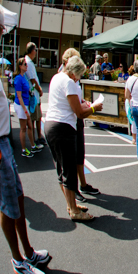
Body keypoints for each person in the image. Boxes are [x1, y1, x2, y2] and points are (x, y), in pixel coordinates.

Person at [0, 4, 52, 274]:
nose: (2, 33)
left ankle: (27, 252)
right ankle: (18, 260)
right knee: (9, 204)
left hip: (2, 143)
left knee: (17, 197)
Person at [45, 56, 102, 222]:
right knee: (69, 172)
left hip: (50, 125)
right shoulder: (69, 82)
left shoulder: (56, 77)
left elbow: (71, 105)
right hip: (63, 129)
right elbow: (79, 113)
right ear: (74, 73)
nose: (78, 79)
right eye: (79, 75)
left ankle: (71, 206)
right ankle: (74, 210)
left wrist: (85, 105)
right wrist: (94, 107)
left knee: (61, 170)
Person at [58, 49, 101, 204]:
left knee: (79, 154)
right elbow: (73, 107)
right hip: (68, 122)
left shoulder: (71, 79)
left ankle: (82, 185)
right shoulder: (65, 78)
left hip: (74, 119)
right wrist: (91, 108)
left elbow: (76, 99)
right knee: (69, 160)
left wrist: (84, 103)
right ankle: (73, 191)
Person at [13, 58, 39, 158]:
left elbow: (25, 91)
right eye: (24, 64)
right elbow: (19, 96)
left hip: (25, 104)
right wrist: (25, 110)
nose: (26, 66)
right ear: (20, 66)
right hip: (21, 106)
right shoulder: (18, 79)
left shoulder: (24, 78)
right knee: (23, 128)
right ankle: (24, 150)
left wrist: (30, 91)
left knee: (30, 126)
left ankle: (33, 146)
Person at [24, 43, 44, 147]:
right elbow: (32, 79)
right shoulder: (28, 62)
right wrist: (39, 89)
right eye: (35, 50)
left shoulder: (29, 62)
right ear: (31, 50)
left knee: (37, 117)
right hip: (33, 95)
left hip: (34, 95)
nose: (36, 52)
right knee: (34, 118)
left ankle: (38, 137)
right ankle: (35, 140)